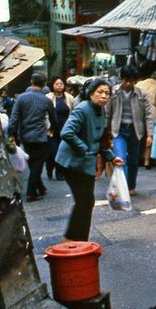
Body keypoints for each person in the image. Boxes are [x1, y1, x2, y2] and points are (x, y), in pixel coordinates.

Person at [55, 78, 124, 241]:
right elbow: (66, 132)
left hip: (85, 163)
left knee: (86, 202)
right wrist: (84, 149)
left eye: (107, 93)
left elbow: (100, 139)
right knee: (84, 201)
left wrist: (112, 158)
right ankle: (72, 239)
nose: (104, 96)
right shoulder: (83, 109)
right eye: (100, 92)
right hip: (72, 163)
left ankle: (77, 239)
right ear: (91, 93)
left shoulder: (101, 111)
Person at [8, 72, 57, 202]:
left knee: (33, 161)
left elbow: (14, 118)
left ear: (31, 82)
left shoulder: (21, 98)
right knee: (37, 164)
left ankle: (40, 187)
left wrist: (12, 134)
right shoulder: (46, 100)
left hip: (24, 135)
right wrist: (52, 130)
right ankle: (31, 192)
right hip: (40, 136)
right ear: (45, 84)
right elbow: (53, 118)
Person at [106, 64, 155, 196]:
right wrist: (106, 131)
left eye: (131, 81)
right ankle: (123, 188)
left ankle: (131, 185)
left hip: (135, 130)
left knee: (133, 160)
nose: (128, 83)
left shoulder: (141, 94)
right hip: (119, 129)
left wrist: (150, 134)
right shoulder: (114, 92)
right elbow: (107, 112)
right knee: (121, 159)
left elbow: (149, 115)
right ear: (121, 79)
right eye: (126, 80)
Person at [135, 59, 156, 167]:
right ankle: (147, 160)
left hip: (138, 112)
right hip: (151, 113)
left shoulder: (139, 85)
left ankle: (137, 156)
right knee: (150, 136)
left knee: (139, 136)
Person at [45, 76, 74, 181]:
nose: (59, 86)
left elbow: (73, 112)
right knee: (53, 152)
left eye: (61, 84)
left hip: (65, 128)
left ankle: (59, 173)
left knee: (62, 151)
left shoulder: (69, 98)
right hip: (52, 129)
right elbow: (45, 114)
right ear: (52, 85)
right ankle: (49, 167)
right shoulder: (48, 97)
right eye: (56, 84)